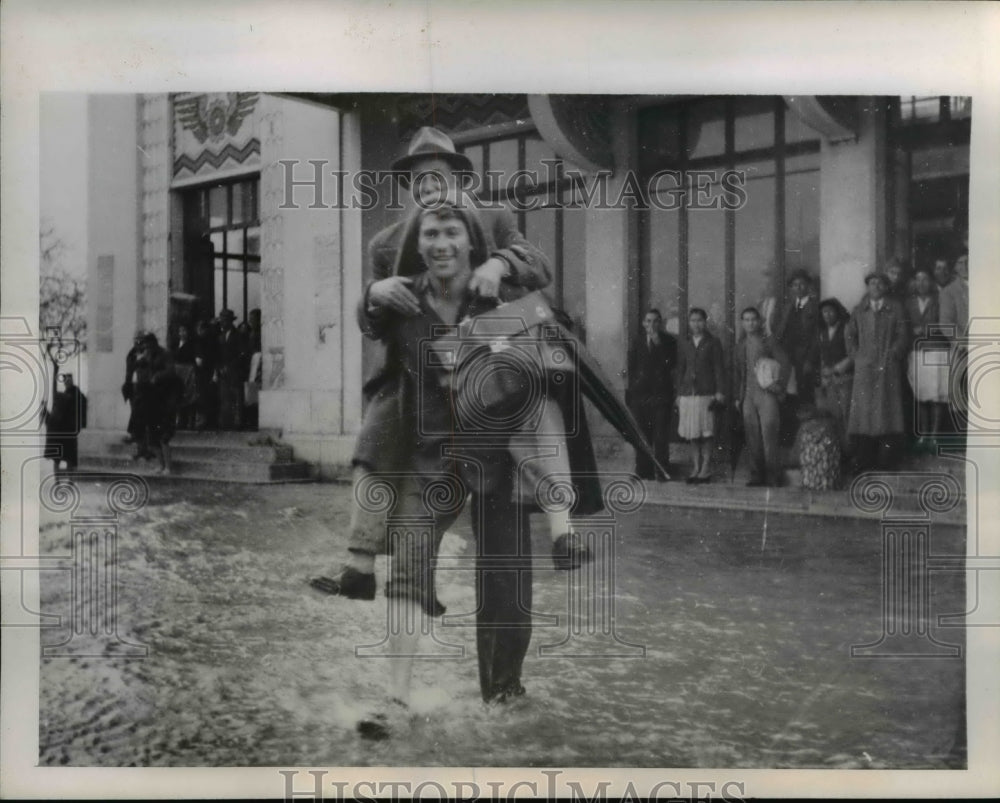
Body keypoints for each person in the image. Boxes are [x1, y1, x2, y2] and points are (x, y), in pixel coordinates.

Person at [343, 202, 601, 737]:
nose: (440, 244)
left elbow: (542, 300)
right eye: (431, 234)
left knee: (505, 577)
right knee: (409, 564)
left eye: (451, 233)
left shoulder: (499, 293)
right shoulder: (402, 294)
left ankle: (504, 689)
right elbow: (369, 318)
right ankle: (396, 698)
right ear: (419, 243)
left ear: (470, 239)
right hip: (429, 453)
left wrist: (503, 271)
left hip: (497, 452)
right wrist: (368, 294)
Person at [310, 126, 558, 599]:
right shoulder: (387, 244)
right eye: (419, 181)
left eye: (438, 177)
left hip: (490, 378)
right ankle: (361, 565)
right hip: (418, 382)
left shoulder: (493, 218)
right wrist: (372, 295)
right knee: (374, 444)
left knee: (505, 534)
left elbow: (538, 266)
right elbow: (375, 328)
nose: (429, 188)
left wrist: (499, 264)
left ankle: (562, 531)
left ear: (458, 181)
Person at [845, 273, 910, 471]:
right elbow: (849, 335)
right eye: (872, 283)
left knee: (887, 413)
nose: (876, 287)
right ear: (867, 287)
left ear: (886, 287)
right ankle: (866, 460)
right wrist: (857, 356)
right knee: (865, 414)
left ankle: (887, 462)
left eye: (880, 283)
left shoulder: (896, 308)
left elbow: (903, 334)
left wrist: (894, 353)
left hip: (887, 368)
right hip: (865, 370)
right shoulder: (859, 310)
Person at [734, 307, 790, 487]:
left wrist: (779, 386)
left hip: (767, 394)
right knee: (752, 436)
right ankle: (756, 475)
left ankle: (773, 476)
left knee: (769, 434)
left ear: (759, 322)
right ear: (742, 323)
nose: (750, 323)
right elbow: (739, 372)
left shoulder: (768, 341)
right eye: (746, 320)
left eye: (753, 319)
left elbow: (785, 364)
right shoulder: (741, 345)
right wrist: (739, 396)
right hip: (749, 395)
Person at [675, 308, 725, 484]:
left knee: (706, 432)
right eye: (693, 320)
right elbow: (680, 369)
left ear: (705, 322)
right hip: (688, 394)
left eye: (699, 320)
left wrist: (719, 391)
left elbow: (719, 368)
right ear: (689, 323)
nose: (696, 324)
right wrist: (679, 393)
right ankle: (695, 467)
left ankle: (706, 468)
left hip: (706, 393)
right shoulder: (684, 342)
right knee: (692, 433)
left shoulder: (713, 342)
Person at [626, 308, 676, 481]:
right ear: (643, 323)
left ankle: (662, 471)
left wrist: (658, 343)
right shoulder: (637, 341)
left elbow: (670, 365)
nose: (652, 324)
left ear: (660, 323)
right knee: (642, 436)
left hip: (661, 395)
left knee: (660, 436)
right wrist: (633, 390)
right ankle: (643, 471)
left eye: (655, 321)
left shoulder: (668, 341)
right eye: (648, 321)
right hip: (640, 396)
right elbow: (632, 368)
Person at [905, 267, 951, 451]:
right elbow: (903, 325)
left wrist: (926, 330)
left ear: (931, 282)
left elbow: (947, 322)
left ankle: (934, 436)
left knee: (936, 394)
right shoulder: (908, 302)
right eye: (918, 279)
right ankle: (923, 435)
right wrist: (911, 332)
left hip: (937, 351)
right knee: (921, 395)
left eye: (925, 279)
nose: (921, 283)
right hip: (917, 352)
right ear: (914, 282)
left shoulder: (940, 299)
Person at [774, 268, 820, 406]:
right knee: (787, 394)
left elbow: (817, 336)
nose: (798, 288)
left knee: (805, 393)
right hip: (788, 357)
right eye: (795, 285)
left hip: (805, 358)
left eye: (802, 284)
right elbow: (781, 331)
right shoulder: (788, 307)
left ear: (808, 286)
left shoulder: (815, 307)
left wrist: (810, 360)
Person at [816, 297, 853, 454]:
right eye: (824, 312)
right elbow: (822, 356)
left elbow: (853, 354)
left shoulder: (846, 329)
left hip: (845, 378)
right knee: (833, 416)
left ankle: (850, 452)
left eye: (831, 311)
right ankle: (837, 454)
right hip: (830, 381)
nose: (828, 315)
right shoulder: (822, 333)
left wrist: (837, 369)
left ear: (837, 312)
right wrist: (824, 372)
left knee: (847, 417)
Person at [939, 252, 970, 432]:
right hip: (962, 349)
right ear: (955, 267)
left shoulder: (988, 285)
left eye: (968, 262)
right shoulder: (949, 292)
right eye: (960, 262)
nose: (965, 266)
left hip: (987, 347)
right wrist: (964, 343)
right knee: (963, 393)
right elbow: (946, 323)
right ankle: (964, 438)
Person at [44, 372, 87, 474]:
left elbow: (81, 411)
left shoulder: (78, 395)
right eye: (66, 381)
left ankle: (69, 482)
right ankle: (58, 482)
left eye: (69, 380)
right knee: (58, 459)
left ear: (72, 381)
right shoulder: (63, 396)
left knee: (69, 459)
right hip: (62, 431)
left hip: (70, 431)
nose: (67, 382)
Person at [216, 309, 246, 430]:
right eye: (221, 320)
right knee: (224, 397)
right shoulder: (220, 336)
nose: (222, 322)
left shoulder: (238, 335)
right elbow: (217, 354)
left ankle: (237, 423)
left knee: (236, 397)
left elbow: (242, 354)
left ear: (230, 321)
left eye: (224, 320)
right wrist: (220, 367)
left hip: (235, 371)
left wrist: (231, 366)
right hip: (223, 372)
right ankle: (226, 423)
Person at [121, 330, 146, 443]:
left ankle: (134, 434)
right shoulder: (131, 354)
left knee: (139, 411)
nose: (137, 342)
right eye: (136, 339)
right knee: (135, 410)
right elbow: (128, 371)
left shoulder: (148, 353)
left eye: (140, 339)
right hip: (133, 385)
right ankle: (135, 435)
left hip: (144, 385)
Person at [173, 324, 198, 430]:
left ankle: (190, 421)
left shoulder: (192, 344)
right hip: (178, 372)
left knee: (190, 395)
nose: (182, 333)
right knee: (178, 395)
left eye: (184, 331)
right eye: (180, 331)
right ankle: (180, 420)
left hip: (188, 371)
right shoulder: (175, 344)